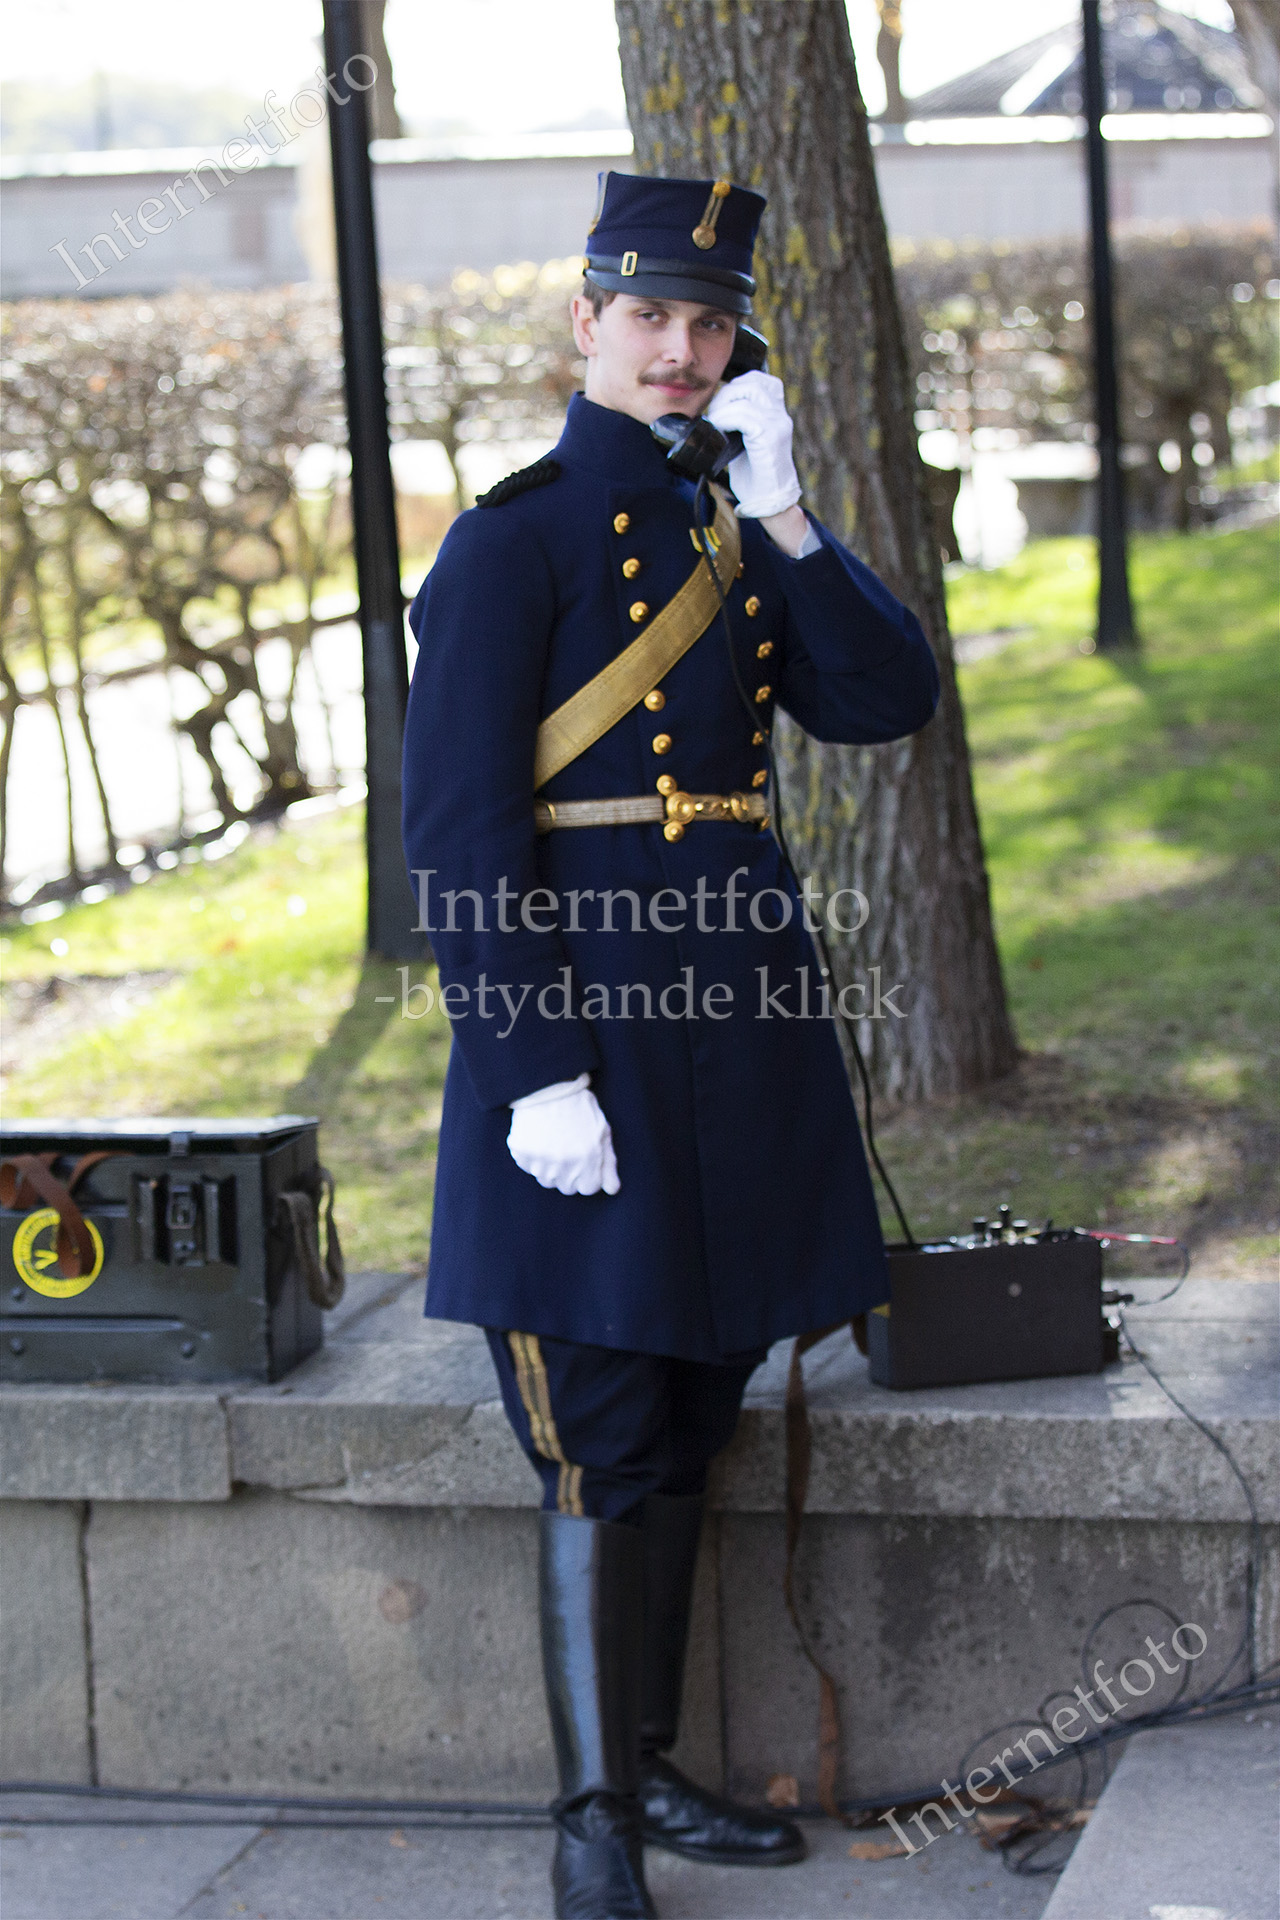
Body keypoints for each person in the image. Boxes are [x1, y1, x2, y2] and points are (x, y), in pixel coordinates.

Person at [401, 171, 940, 1920]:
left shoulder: (733, 531)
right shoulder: (512, 540)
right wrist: (534, 1067)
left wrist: (790, 519)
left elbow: (882, 699)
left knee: (693, 1400)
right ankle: (587, 1823)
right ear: (586, 323)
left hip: (735, 1039)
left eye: (711, 326)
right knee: (598, 1427)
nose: (682, 351)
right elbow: (464, 834)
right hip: (591, 1051)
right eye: (649, 316)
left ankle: (650, 1768)